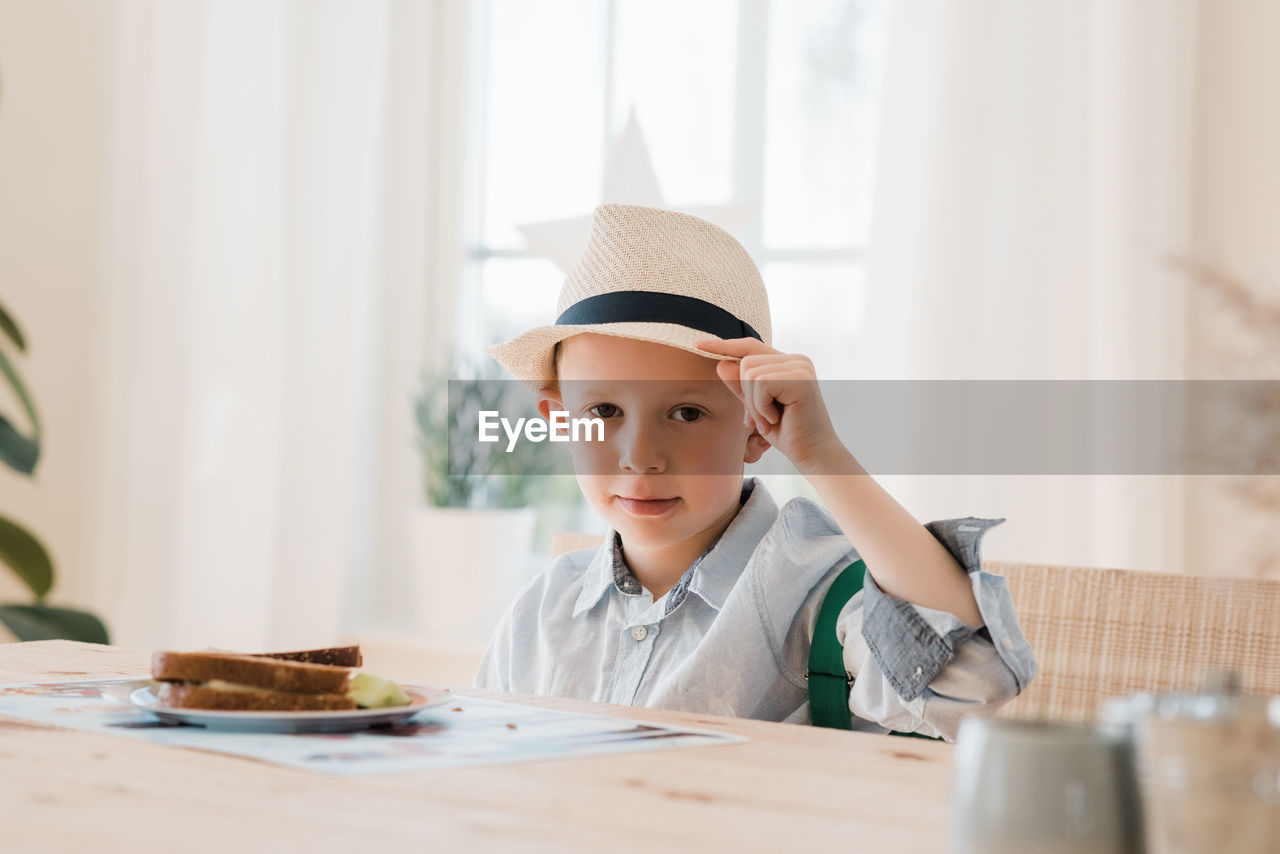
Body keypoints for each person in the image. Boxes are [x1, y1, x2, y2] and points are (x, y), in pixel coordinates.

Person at [473, 203, 1035, 740]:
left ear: (753, 427)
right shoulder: (541, 610)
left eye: (686, 413)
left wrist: (822, 454)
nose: (640, 456)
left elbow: (971, 685)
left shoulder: (815, 592)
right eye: (603, 411)